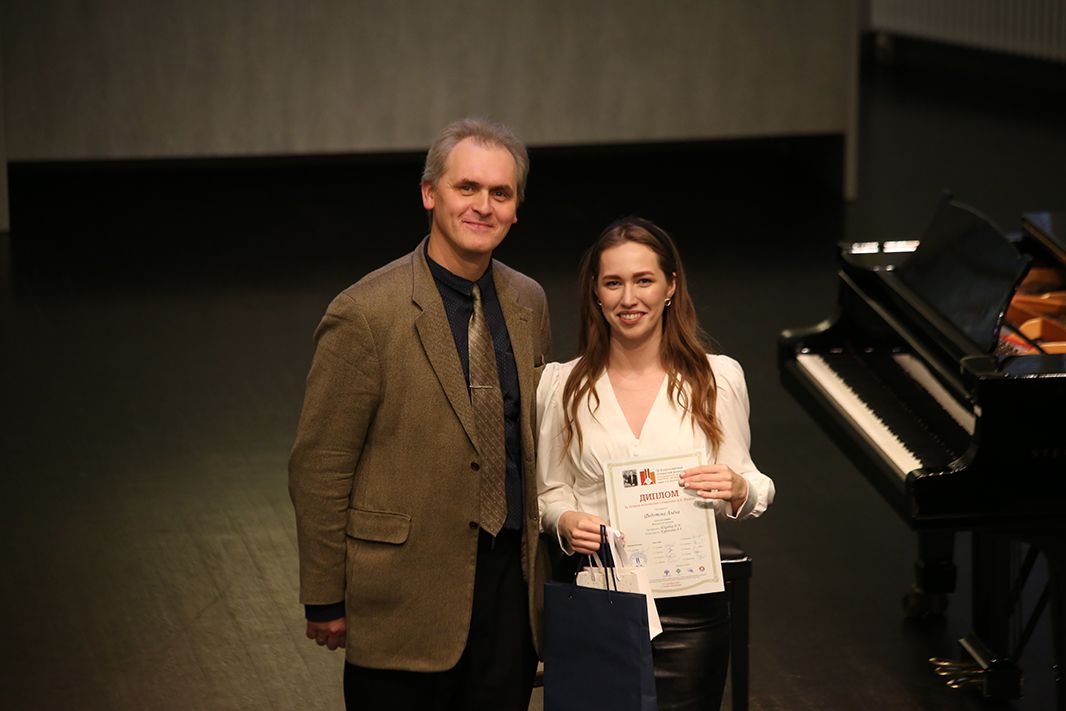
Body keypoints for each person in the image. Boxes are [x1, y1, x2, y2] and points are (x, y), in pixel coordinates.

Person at [289, 117, 551, 711]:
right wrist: (325, 594)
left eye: (501, 193)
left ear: (516, 210)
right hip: (403, 596)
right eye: (467, 187)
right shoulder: (365, 313)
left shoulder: (529, 301)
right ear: (430, 194)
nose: (483, 206)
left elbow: (531, 438)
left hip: (508, 590)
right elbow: (320, 464)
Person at [537, 217, 774, 710]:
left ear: (670, 286)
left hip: (691, 609)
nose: (629, 298)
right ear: (595, 292)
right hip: (602, 598)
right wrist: (565, 520)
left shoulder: (716, 379)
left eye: (643, 280)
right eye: (613, 283)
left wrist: (738, 488)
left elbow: (753, 482)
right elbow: (549, 492)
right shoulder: (562, 386)